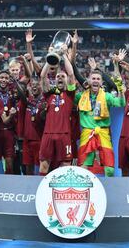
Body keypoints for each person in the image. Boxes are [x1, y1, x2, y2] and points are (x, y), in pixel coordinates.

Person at [75, 53, 126, 177]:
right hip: (87, 132)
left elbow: (121, 103)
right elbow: (71, 85)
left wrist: (121, 90)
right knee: (83, 166)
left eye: (98, 79)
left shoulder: (107, 96)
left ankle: (109, 191)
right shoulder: (80, 96)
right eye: (93, 79)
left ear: (101, 82)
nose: (95, 81)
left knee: (109, 168)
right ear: (88, 81)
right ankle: (85, 193)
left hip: (103, 132)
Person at [39, 45, 75, 176]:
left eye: (62, 76)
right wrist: (50, 59)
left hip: (64, 134)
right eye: (58, 76)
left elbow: (71, 74)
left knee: (65, 165)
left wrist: (63, 54)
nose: (60, 78)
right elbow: (42, 77)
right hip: (48, 134)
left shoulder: (70, 94)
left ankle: (61, 194)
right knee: (44, 165)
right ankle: (42, 193)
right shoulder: (49, 94)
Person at [18, 79, 46, 175]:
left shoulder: (45, 101)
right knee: (28, 167)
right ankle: (29, 188)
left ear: (41, 87)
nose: (34, 86)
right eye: (32, 85)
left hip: (40, 139)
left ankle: (39, 187)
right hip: (27, 140)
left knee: (40, 167)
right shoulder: (27, 101)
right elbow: (21, 94)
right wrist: (15, 82)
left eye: (37, 84)